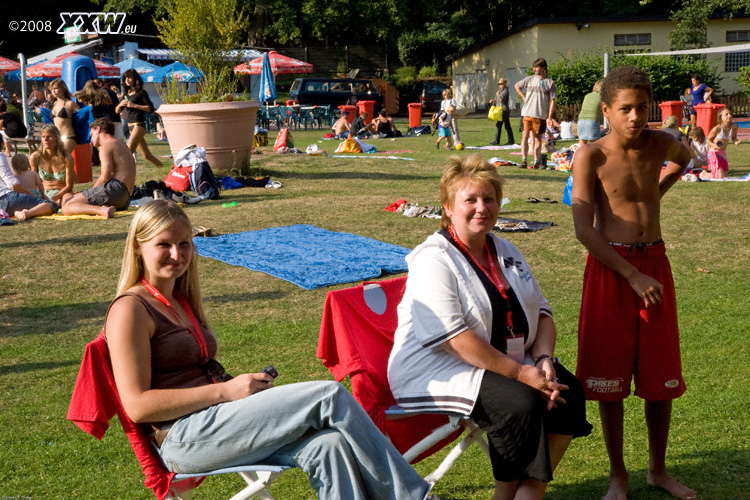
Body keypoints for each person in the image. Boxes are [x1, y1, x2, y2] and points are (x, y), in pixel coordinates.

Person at [104, 198, 447, 500]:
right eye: (164, 245)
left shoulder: (180, 300)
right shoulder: (131, 309)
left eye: (184, 244)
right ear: (138, 246)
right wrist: (225, 392)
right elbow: (137, 406)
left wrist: (239, 390)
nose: (177, 255)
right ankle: (415, 497)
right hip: (184, 438)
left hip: (217, 421)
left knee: (330, 445)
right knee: (327, 396)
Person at [389, 154, 591, 500]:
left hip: (503, 359)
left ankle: (530, 491)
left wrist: (543, 359)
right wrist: (521, 374)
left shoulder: (506, 250)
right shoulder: (433, 259)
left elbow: (542, 311)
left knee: (567, 393)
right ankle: (505, 495)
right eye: (470, 200)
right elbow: (455, 340)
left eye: (489, 198)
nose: (481, 207)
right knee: (519, 403)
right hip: (439, 366)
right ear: (448, 207)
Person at [571, 65, 696, 500]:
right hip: (613, 270)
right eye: (625, 108)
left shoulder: (661, 143)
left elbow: (687, 158)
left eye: (643, 108)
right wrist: (630, 273)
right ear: (606, 110)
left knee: (659, 374)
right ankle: (618, 475)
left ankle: (658, 470)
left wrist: (658, 190)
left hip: (655, 263)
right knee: (610, 377)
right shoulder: (591, 155)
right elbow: (584, 229)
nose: (635, 117)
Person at [61, 118, 135, 218]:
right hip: (125, 198)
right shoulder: (120, 143)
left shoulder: (106, 145)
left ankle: (102, 210)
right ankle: (103, 208)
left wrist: (92, 191)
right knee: (67, 196)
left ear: (98, 129)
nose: (90, 138)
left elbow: (105, 176)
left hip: (115, 190)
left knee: (66, 207)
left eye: (91, 134)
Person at [115, 69, 162, 167]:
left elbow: (150, 108)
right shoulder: (126, 94)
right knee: (147, 155)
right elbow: (117, 111)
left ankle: (120, 173)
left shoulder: (141, 92)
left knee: (128, 151)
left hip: (139, 125)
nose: (127, 80)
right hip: (130, 126)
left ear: (135, 79)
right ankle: (161, 166)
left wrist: (134, 105)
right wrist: (120, 105)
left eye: (129, 77)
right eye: (125, 78)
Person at [515, 58, 556, 169]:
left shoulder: (550, 82)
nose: (534, 69)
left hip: (540, 115)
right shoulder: (530, 79)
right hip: (527, 112)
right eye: (534, 67)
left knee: (538, 139)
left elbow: (552, 100)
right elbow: (517, 86)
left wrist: (549, 117)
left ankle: (537, 162)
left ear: (543, 68)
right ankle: (524, 160)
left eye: (536, 67)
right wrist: (523, 97)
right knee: (525, 136)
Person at [0, 152, 58, 221]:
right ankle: (27, 213)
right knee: (52, 205)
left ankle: (16, 212)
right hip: (32, 194)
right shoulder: (33, 173)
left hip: (19, 196)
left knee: (22, 204)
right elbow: (40, 185)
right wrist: (43, 196)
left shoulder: (16, 176)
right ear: (28, 163)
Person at [29, 124, 75, 206]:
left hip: (63, 192)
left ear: (57, 138)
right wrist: (42, 196)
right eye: (43, 137)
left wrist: (53, 198)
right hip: (43, 193)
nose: (46, 139)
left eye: (49, 136)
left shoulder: (67, 158)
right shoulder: (35, 157)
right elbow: (33, 183)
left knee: (68, 203)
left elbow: (69, 186)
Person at [570, 79, 604, 170]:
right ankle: (598, 165)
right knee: (597, 145)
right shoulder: (602, 97)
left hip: (581, 121)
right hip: (592, 121)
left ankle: (573, 163)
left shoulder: (588, 95)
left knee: (581, 144)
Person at [701, 107, 740, 180]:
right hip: (714, 153)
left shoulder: (734, 126)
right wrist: (714, 145)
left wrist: (736, 142)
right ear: (721, 117)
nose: (729, 116)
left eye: (730, 114)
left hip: (722, 153)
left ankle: (708, 173)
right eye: (726, 114)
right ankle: (703, 174)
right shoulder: (717, 128)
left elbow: (734, 138)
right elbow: (708, 140)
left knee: (725, 176)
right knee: (719, 177)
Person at [49, 79, 80, 154]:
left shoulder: (69, 103)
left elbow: (82, 115)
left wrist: (89, 108)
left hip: (68, 137)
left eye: (56, 88)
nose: (53, 91)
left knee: (63, 157)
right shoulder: (55, 103)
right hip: (57, 138)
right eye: (52, 89)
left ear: (63, 89)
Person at [490, 78, 515, 146]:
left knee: (498, 125)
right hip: (503, 109)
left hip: (504, 110)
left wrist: (497, 94)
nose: (500, 85)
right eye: (499, 84)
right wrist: (493, 100)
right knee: (507, 126)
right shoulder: (501, 91)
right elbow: (498, 100)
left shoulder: (505, 91)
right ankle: (511, 140)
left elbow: (502, 100)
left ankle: (497, 141)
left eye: (501, 84)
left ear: (504, 84)